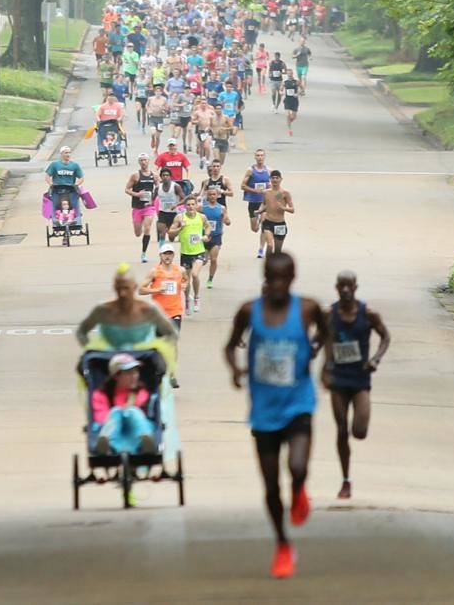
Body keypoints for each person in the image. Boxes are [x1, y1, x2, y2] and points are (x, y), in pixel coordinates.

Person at [223, 253, 331, 579]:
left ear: (293, 277)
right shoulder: (249, 311)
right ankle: (283, 544)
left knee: (297, 466)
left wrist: (323, 362)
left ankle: (299, 489)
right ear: (264, 277)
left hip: (298, 402)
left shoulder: (308, 308)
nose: (277, 284)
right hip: (264, 410)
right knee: (271, 487)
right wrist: (235, 370)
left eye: (283, 278)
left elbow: (327, 333)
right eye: (271, 277)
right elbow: (230, 346)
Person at [323, 272, 391, 500]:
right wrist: (325, 364)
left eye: (348, 286)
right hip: (338, 378)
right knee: (342, 429)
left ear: (355, 287)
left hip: (360, 379)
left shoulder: (368, 314)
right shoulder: (330, 314)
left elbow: (385, 337)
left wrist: (375, 359)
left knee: (359, 432)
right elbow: (323, 338)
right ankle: (346, 480)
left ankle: (346, 477)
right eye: (341, 286)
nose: (345, 290)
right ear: (336, 287)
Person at [77, 265, 179, 353]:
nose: (122, 293)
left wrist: (158, 354)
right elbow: (81, 332)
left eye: (126, 288)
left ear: (134, 287)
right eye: (119, 288)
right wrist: (92, 353)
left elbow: (172, 334)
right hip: (110, 361)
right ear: (114, 287)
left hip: (143, 361)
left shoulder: (148, 309)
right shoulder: (102, 310)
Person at [91, 353, 157, 456]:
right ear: (116, 376)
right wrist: (120, 412)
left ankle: (145, 442)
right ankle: (107, 444)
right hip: (113, 430)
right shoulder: (101, 395)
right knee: (115, 412)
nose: (134, 376)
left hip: (135, 431)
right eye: (128, 373)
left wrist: (127, 409)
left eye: (135, 371)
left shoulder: (141, 392)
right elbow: (101, 418)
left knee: (133, 412)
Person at [167, 194, 212, 315]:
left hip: (199, 251)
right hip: (186, 253)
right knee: (186, 280)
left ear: (196, 205)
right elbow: (170, 232)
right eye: (188, 205)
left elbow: (208, 226)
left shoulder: (201, 217)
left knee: (195, 274)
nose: (191, 207)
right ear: (185, 206)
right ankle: (187, 300)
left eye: (193, 204)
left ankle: (196, 297)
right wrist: (180, 229)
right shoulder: (180, 218)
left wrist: (206, 235)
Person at [140, 243, 188, 332]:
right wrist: (157, 290)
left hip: (175, 312)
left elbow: (186, 279)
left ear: (173, 255)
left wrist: (184, 285)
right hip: (159, 313)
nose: (167, 256)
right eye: (165, 254)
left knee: (173, 338)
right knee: (159, 339)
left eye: (170, 254)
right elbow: (140, 290)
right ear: (160, 255)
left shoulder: (180, 270)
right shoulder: (154, 272)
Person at [124, 153, 157, 262]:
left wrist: (153, 200)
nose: (143, 162)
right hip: (137, 207)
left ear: (148, 161)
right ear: (139, 162)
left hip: (149, 207)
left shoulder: (154, 175)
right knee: (138, 233)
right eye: (141, 160)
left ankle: (144, 254)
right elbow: (127, 189)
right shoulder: (135, 175)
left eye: (145, 160)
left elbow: (158, 189)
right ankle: (140, 223)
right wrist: (137, 194)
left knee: (147, 228)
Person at [241, 149, 272, 257]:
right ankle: (258, 220)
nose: (260, 157)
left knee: (264, 224)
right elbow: (242, 186)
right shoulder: (250, 170)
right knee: (254, 229)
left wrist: (269, 188)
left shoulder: (269, 170)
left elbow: (273, 185)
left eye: (262, 155)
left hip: (265, 202)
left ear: (264, 157)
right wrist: (255, 190)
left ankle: (261, 249)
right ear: (255, 157)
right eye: (258, 155)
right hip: (253, 201)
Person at [257, 170, 294, 255]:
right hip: (268, 223)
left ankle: (274, 261)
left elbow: (292, 209)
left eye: (277, 178)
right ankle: (268, 262)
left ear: (281, 179)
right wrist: (259, 211)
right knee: (270, 245)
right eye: (273, 178)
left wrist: (283, 208)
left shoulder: (285, 193)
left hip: (280, 224)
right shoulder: (266, 192)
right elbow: (264, 204)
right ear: (270, 179)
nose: (275, 180)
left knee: (277, 251)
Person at [201, 186, 230, 289]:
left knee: (213, 259)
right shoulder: (202, 207)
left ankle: (210, 279)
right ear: (207, 196)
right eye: (210, 194)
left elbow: (227, 220)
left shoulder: (221, 208)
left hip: (216, 236)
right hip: (204, 236)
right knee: (203, 261)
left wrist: (226, 220)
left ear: (217, 195)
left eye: (214, 194)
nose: (212, 196)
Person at [45, 145, 85, 213]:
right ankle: (55, 216)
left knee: (74, 204)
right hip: (57, 189)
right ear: (61, 154)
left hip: (71, 189)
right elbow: (47, 176)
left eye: (69, 153)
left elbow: (81, 178)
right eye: (66, 153)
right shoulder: (54, 164)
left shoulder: (75, 165)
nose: (68, 154)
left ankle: (76, 215)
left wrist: (76, 184)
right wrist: (51, 183)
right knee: (55, 205)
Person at [154, 167, 184, 245]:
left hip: (174, 214)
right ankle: (162, 248)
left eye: (167, 175)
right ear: (161, 177)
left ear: (170, 177)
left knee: (171, 237)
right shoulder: (158, 188)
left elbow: (184, 199)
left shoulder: (176, 187)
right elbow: (152, 199)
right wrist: (149, 203)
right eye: (163, 175)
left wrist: (177, 204)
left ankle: (173, 232)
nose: (165, 177)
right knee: (162, 233)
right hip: (162, 212)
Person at [146, 84, 170, 150]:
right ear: (154, 92)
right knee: (153, 132)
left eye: (159, 91)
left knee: (158, 136)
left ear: (161, 92)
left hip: (160, 118)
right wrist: (148, 110)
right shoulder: (151, 98)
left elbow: (167, 109)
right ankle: (152, 139)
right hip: (152, 118)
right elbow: (147, 105)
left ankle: (156, 149)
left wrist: (164, 109)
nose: (158, 93)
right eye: (157, 91)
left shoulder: (164, 99)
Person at [282, 70, 301, 136]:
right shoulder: (285, 82)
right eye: (288, 74)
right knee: (287, 115)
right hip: (287, 100)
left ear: (292, 74)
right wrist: (281, 92)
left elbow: (302, 90)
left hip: (294, 101)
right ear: (287, 74)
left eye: (290, 73)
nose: (289, 75)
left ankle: (289, 122)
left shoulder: (296, 82)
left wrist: (297, 93)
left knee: (293, 117)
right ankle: (289, 130)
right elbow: (280, 90)